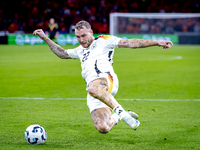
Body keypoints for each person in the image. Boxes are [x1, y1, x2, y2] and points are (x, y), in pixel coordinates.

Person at [33, 20, 173, 134]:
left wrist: (156, 42)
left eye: (84, 36)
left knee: (92, 88)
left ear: (91, 32)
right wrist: (45, 38)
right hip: (95, 91)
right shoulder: (80, 51)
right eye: (78, 37)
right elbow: (62, 53)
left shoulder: (104, 40)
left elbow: (131, 43)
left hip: (107, 80)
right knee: (103, 128)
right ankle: (118, 116)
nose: (81, 40)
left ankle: (123, 114)